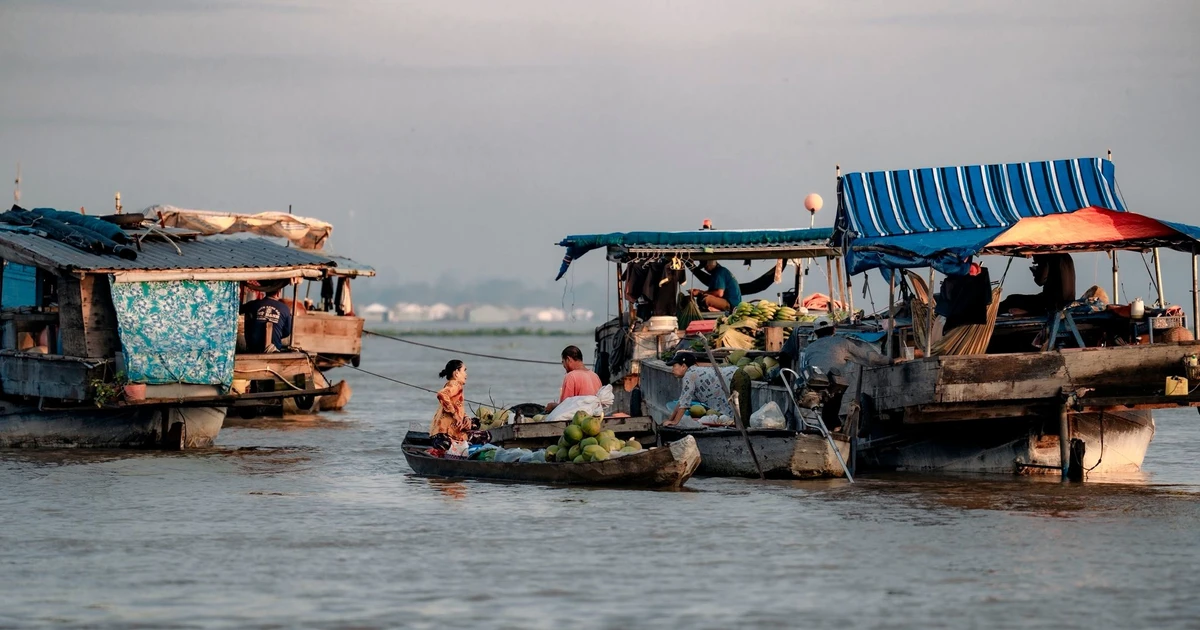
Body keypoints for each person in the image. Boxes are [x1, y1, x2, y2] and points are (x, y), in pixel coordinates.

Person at [796, 317, 900, 430]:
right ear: (834, 330)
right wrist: (891, 360)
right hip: (833, 386)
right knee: (835, 391)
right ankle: (834, 429)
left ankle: (831, 428)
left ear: (815, 333)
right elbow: (869, 357)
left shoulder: (810, 348)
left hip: (813, 385)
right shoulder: (842, 343)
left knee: (826, 410)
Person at [662, 353, 752, 427]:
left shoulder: (689, 375)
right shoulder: (692, 373)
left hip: (736, 378)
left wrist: (675, 422)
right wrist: (671, 420)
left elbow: (684, 404)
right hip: (737, 375)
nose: (672, 370)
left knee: (741, 419)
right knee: (743, 416)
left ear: (683, 366)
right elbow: (681, 402)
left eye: (674, 366)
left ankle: (744, 441)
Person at [998, 253, 1075, 316]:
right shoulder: (1066, 255)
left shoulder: (1045, 255)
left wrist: (1035, 272)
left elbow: (1040, 281)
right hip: (1067, 302)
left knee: (1012, 299)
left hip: (1053, 304)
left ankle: (990, 314)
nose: (1032, 257)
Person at [935, 262, 992, 334]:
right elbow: (988, 300)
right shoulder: (982, 276)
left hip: (956, 319)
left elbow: (946, 298)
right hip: (976, 318)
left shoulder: (952, 279)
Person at [544, 345, 602, 413]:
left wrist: (552, 406)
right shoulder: (595, 376)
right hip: (595, 416)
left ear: (568, 359)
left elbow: (565, 407)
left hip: (580, 418)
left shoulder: (571, 376)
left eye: (563, 362)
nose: (564, 366)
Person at [430, 359, 472, 443]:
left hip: (437, 434)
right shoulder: (455, 385)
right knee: (484, 435)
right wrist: (455, 415)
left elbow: (457, 407)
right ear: (456, 373)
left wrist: (465, 417)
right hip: (444, 435)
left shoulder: (451, 384)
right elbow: (441, 394)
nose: (466, 374)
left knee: (472, 423)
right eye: (464, 370)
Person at [240, 287, 293, 353]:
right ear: (278, 293)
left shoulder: (253, 304)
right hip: (274, 349)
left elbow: (239, 309)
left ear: (266, 291)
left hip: (254, 349)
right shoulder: (285, 308)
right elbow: (287, 332)